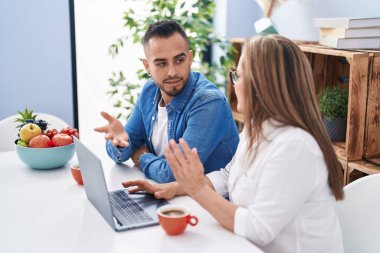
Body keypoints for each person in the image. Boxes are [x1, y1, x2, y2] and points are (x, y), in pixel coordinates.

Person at [123, 35, 345, 252]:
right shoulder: (256, 128)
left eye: (238, 77)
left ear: (262, 85)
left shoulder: (296, 147)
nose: (234, 86)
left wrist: (198, 188)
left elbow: (259, 229)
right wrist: (173, 188)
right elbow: (229, 175)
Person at [95, 20, 239, 183]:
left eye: (179, 60)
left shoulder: (209, 102)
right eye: (161, 63)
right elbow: (126, 147)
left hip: (210, 203)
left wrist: (142, 157)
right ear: (147, 66)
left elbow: (174, 174)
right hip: (171, 196)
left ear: (190, 58)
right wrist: (122, 142)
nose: (172, 72)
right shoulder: (150, 92)